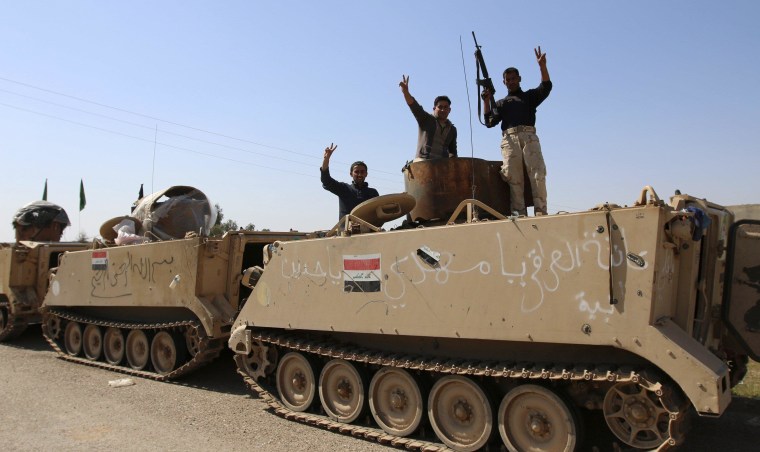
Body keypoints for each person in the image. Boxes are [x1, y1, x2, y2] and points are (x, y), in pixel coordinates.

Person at [481, 46, 552, 216]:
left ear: (519, 79)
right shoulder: (501, 103)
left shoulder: (528, 97)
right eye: (508, 79)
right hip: (510, 139)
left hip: (529, 136)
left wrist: (542, 66)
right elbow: (490, 121)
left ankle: (541, 211)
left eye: (514, 78)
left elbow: (546, 87)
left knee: (537, 174)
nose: (511, 81)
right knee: (514, 178)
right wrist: (486, 101)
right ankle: (519, 213)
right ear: (504, 82)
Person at [399, 75, 457, 161]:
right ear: (434, 109)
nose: (442, 109)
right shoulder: (426, 119)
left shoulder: (452, 129)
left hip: (442, 166)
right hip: (423, 164)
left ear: (449, 110)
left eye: (445, 107)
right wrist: (405, 92)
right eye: (440, 107)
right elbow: (414, 106)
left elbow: (453, 152)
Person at [320, 143, 379, 219]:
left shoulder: (373, 193)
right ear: (351, 174)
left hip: (369, 229)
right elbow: (326, 180)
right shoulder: (344, 189)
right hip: (347, 230)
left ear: (366, 174)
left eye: (362, 172)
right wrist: (326, 159)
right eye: (356, 172)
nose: (359, 174)